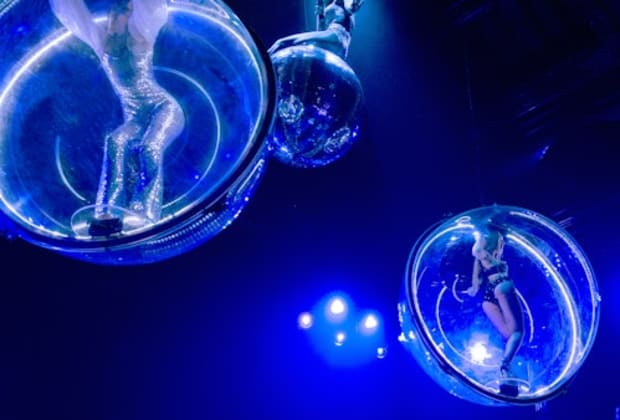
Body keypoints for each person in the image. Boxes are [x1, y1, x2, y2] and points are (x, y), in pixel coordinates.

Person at [49, 0, 185, 235]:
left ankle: (143, 212)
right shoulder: (102, 43)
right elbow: (74, 15)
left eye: (119, 13)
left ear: (129, 17)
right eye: (111, 13)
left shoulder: (140, 35)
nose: (112, 18)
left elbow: (149, 8)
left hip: (163, 109)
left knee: (149, 148)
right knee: (115, 141)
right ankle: (107, 213)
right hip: (136, 118)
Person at [466, 225, 524, 394]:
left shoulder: (483, 261)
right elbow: (477, 251)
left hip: (488, 297)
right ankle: (505, 366)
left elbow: (476, 283)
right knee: (517, 332)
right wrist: (481, 245)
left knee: (510, 335)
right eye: (500, 241)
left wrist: (473, 288)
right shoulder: (488, 256)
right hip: (501, 286)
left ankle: (507, 379)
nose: (502, 244)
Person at [268, 0, 364, 60]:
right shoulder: (325, 6)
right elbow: (320, 31)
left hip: (337, 35)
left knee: (281, 42)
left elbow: (351, 7)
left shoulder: (340, 2)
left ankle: (263, 60)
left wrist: (353, 4)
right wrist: (320, 16)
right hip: (338, 47)